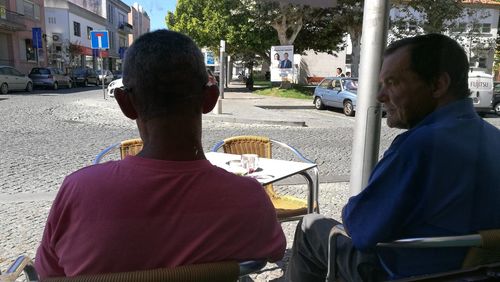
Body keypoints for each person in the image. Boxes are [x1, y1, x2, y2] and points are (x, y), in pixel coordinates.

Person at [35, 30, 286, 279]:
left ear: (125, 103)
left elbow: (49, 274)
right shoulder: (248, 198)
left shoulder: (78, 192)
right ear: (210, 98)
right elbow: (275, 251)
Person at [286, 33, 500, 282]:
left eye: (392, 82)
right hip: (475, 273)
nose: (380, 96)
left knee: (310, 226)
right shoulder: (494, 138)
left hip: (403, 272)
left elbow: (361, 229)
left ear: (438, 85)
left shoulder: (419, 146)